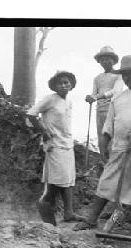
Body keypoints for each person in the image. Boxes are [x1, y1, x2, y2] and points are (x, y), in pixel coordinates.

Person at [74, 55, 131, 235]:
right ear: (122, 76)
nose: (129, 77)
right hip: (119, 147)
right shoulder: (118, 98)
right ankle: (91, 219)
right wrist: (104, 148)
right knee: (106, 182)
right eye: (125, 75)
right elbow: (108, 126)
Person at [27, 71, 86, 226]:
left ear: (72, 85)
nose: (64, 85)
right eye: (60, 83)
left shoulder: (68, 101)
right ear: (54, 86)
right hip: (55, 145)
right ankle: (45, 209)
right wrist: (44, 131)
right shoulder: (50, 99)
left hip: (67, 144)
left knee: (68, 180)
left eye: (67, 82)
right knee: (54, 181)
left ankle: (69, 212)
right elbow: (31, 114)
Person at [85, 46, 124, 173]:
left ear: (113, 60)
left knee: (112, 138)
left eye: (108, 59)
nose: (105, 62)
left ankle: (115, 168)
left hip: (113, 109)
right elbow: (93, 94)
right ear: (99, 61)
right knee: (102, 138)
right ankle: (105, 165)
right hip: (100, 110)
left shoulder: (119, 75)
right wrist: (90, 98)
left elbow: (116, 91)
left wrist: (99, 96)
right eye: (103, 59)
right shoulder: (97, 78)